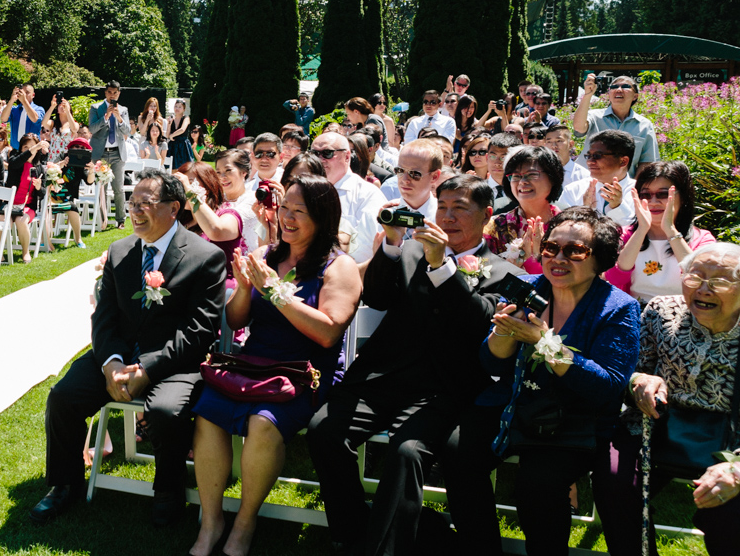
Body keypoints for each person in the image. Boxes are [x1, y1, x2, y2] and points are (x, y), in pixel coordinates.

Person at [308, 175, 522, 555]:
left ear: (487, 215)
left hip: (443, 390)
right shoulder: (409, 251)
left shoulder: (505, 273)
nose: (449, 216)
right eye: (442, 207)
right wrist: (391, 243)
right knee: (324, 429)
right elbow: (374, 297)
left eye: (461, 208)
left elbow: (478, 323)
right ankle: (352, 531)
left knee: (407, 452)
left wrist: (443, 269)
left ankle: (386, 549)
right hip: (381, 378)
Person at [31, 170, 227, 526]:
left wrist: (149, 369)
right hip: (118, 356)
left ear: (173, 208)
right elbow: (104, 318)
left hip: (173, 363)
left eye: (145, 204)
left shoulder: (205, 257)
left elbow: (199, 331)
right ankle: (64, 483)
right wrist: (111, 364)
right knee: (63, 396)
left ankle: (168, 490)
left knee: (167, 412)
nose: (135, 211)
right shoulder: (119, 250)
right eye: (132, 203)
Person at [442, 207, 640, 556]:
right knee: (459, 453)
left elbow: (607, 386)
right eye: (550, 248)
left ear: (602, 258)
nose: (557, 258)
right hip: (515, 402)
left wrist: (544, 343)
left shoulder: (617, 307)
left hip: (575, 417)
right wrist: (504, 332)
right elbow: (491, 362)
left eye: (574, 251)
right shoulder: (527, 287)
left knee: (538, 484)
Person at [190, 175, 361, 556]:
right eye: (285, 208)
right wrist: (245, 290)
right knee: (207, 415)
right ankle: (212, 518)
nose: (288, 218)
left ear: (324, 217)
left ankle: (246, 522)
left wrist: (275, 293)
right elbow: (236, 323)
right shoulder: (266, 254)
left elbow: (329, 334)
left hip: (306, 371)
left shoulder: (339, 267)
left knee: (263, 423)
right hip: (253, 364)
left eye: (300, 211)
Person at [594, 243, 740, 555]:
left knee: (729, 515)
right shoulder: (662, 311)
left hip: (731, 440)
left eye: (720, 281)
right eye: (695, 276)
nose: (704, 289)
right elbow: (627, 372)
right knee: (614, 483)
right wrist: (640, 381)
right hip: (654, 424)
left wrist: (737, 469)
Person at [603, 160, 717, 304]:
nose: (653, 201)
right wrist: (641, 230)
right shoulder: (625, 236)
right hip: (635, 316)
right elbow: (614, 278)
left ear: (683, 197)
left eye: (663, 194)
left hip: (682, 317)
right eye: (646, 195)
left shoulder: (702, 239)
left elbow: (700, 279)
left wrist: (670, 231)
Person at [483, 145, 565, 274]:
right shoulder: (493, 228)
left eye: (531, 174)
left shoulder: (570, 225)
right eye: (515, 176)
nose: (522, 182)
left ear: (553, 178)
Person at [312, 132, 384, 263]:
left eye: (327, 153)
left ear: (347, 156)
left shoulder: (367, 195)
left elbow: (366, 248)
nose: (320, 159)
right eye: (314, 154)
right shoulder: (304, 190)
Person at [571, 73, 659, 178]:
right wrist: (587, 95)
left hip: (622, 187)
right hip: (587, 183)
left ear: (635, 96)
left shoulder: (644, 125)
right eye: (614, 87)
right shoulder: (594, 116)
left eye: (625, 86)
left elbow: (647, 162)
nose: (618, 89)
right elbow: (578, 127)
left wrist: (633, 188)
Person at [557, 129, 636, 223]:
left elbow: (635, 230)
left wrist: (618, 207)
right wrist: (585, 212)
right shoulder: (574, 190)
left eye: (597, 156)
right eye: (588, 156)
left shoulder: (641, 192)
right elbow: (561, 227)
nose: (590, 162)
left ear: (623, 161)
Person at [0, 134, 45, 263]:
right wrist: (33, 149)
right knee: (4, 219)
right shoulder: (15, 162)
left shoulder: (39, 168)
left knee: (21, 220)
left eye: (33, 147)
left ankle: (25, 252)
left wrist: (39, 188)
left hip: (27, 206)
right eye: (26, 147)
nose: (30, 150)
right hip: (7, 204)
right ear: (22, 149)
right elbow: (14, 163)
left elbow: (42, 195)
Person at [89, 81, 132, 228]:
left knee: (118, 188)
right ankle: (103, 220)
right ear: (105, 93)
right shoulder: (96, 108)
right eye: (109, 92)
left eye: (115, 93)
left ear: (119, 93)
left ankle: (121, 220)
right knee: (102, 188)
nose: (112, 95)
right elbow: (92, 129)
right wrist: (106, 117)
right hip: (100, 154)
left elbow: (128, 131)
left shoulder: (123, 110)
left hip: (117, 154)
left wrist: (118, 118)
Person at [46, 137, 95, 250]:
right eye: (76, 146)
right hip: (52, 195)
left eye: (82, 148)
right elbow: (50, 171)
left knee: (73, 208)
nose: (79, 149)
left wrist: (91, 170)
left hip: (67, 198)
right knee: (69, 206)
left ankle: (78, 239)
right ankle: (46, 239)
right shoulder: (63, 157)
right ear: (71, 148)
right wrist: (62, 164)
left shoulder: (82, 163)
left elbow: (89, 182)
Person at [389, 139, 443, 224]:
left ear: (434, 177)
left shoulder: (445, 219)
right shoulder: (380, 214)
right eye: (400, 170)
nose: (405, 179)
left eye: (414, 174)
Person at [0, 83, 44, 150]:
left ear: (33, 95)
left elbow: (35, 119)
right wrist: (12, 99)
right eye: (22, 92)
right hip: (15, 149)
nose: (24, 95)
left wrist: (24, 101)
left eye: (27, 92)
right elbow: (3, 118)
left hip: (32, 150)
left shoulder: (38, 109)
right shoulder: (14, 109)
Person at [486, 132, 523, 210]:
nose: (497, 163)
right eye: (493, 156)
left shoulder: (523, 191)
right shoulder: (476, 191)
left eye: (503, 157)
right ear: (486, 157)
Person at [46, 97, 80, 163]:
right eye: (60, 105)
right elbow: (44, 122)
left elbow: (74, 129)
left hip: (66, 159)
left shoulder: (74, 124)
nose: (62, 106)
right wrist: (52, 106)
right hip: (53, 157)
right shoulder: (53, 124)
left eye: (65, 105)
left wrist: (67, 111)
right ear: (57, 110)